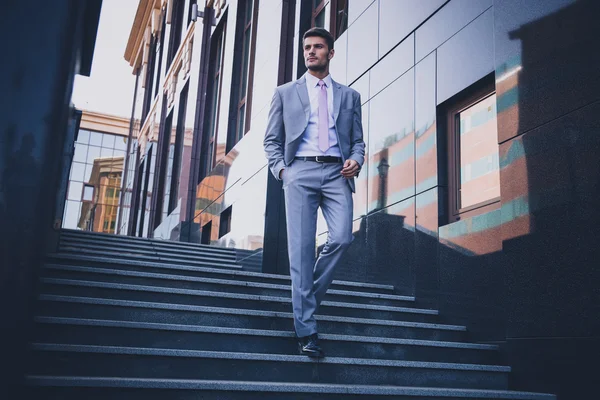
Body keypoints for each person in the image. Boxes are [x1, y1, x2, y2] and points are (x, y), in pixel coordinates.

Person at [263, 27, 365, 357]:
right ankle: (307, 330)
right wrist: (283, 171)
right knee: (302, 251)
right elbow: (271, 141)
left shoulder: (350, 96)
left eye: (318, 47)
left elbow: (359, 140)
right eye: (307, 47)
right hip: (300, 172)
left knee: (342, 238)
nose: (311, 52)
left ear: (330, 53)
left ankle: (304, 302)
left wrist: (356, 159)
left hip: (337, 172)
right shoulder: (284, 93)